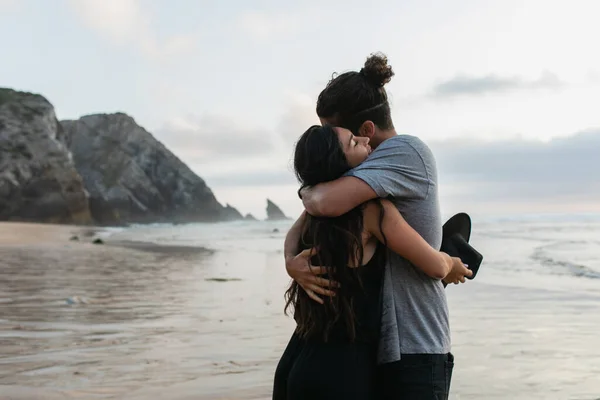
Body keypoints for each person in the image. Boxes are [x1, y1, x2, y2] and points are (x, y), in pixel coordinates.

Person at [284, 53, 471, 399]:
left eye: (332, 132)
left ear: (366, 130)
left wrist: (448, 263)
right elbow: (313, 210)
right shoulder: (357, 178)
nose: (328, 141)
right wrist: (290, 261)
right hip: (377, 345)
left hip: (416, 341)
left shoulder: (404, 151)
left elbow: (321, 201)